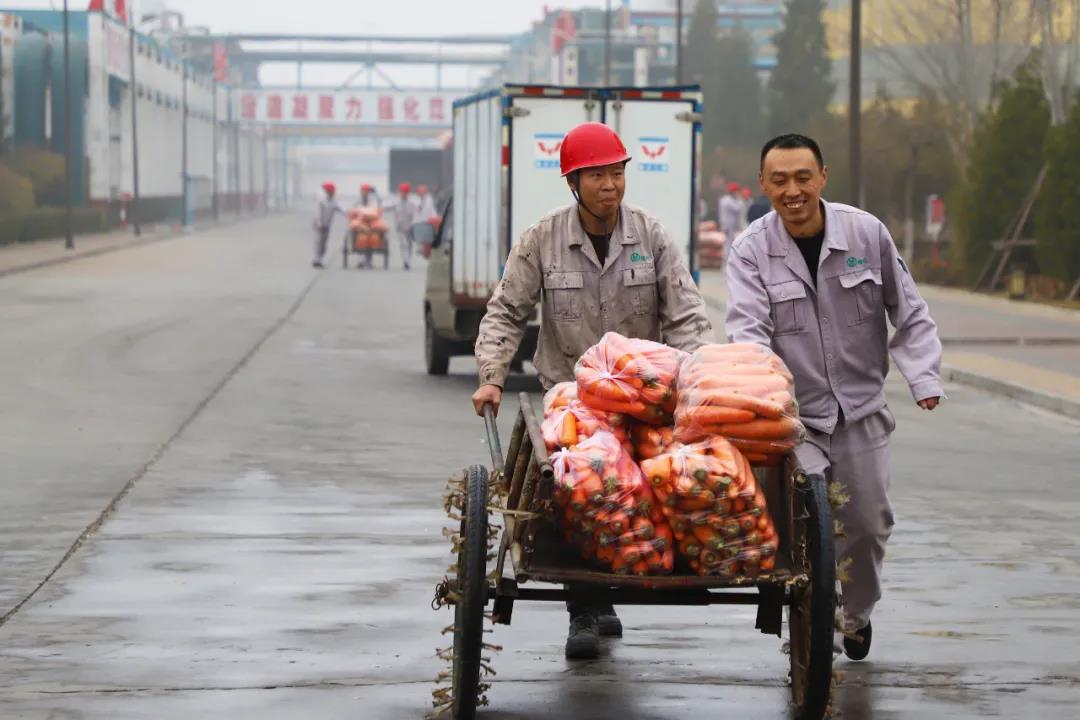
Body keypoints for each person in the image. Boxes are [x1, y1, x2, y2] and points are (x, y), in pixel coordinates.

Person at [471, 122, 712, 660]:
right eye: (597, 175)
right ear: (573, 183)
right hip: (571, 399)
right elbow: (507, 311)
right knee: (577, 492)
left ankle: (615, 585)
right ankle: (583, 605)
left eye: (617, 173)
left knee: (643, 489)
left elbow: (688, 315)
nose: (610, 185)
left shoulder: (651, 237)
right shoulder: (542, 240)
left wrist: (697, 380)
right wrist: (491, 377)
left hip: (643, 395)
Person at [724, 133, 943, 661]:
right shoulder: (751, 249)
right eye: (779, 180)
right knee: (803, 523)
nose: (792, 190)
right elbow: (747, 332)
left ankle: (855, 613)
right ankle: (811, 613)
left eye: (803, 177)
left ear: (822, 177)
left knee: (868, 524)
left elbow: (908, 310)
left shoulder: (866, 234)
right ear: (763, 185)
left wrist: (923, 377)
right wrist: (759, 399)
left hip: (861, 412)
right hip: (794, 420)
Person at [312, 182, 344, 268]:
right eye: (331, 191)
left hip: (327, 225)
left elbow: (341, 209)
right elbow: (317, 213)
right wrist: (318, 223)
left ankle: (320, 258)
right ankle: (316, 259)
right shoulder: (321, 200)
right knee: (318, 242)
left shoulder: (333, 201)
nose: (332, 193)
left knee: (324, 243)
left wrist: (351, 213)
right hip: (319, 224)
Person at [356, 183, 382, 269]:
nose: (364, 193)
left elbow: (375, 209)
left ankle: (369, 261)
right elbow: (356, 209)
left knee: (371, 241)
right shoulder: (358, 200)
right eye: (363, 191)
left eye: (366, 191)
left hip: (371, 223)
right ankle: (360, 260)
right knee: (361, 241)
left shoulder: (373, 199)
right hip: (361, 223)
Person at [391, 182, 417, 270]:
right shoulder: (396, 202)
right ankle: (405, 261)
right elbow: (387, 207)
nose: (403, 194)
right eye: (402, 192)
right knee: (403, 244)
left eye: (405, 192)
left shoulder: (412, 203)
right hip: (400, 228)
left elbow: (416, 214)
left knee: (409, 245)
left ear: (408, 193)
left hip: (410, 227)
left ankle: (408, 260)